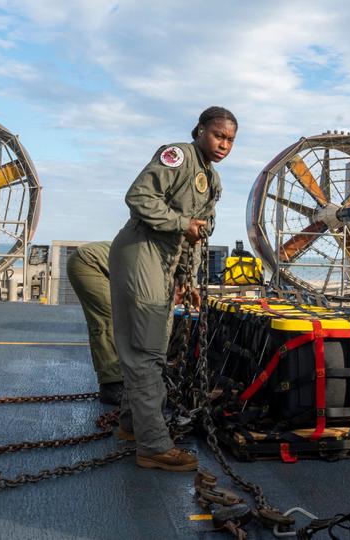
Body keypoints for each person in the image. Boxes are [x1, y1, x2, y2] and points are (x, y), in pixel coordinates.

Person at [109, 106, 236, 472]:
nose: (224, 144)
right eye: (218, 136)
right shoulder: (178, 156)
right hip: (141, 250)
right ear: (200, 131)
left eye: (230, 140)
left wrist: (186, 279)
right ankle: (153, 446)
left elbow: (195, 236)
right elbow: (138, 197)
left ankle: (133, 425)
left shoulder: (212, 181)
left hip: (165, 260)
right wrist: (181, 222)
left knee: (154, 346)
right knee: (146, 351)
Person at [66, 241, 123, 405]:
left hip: (99, 264)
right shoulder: (158, 273)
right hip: (88, 263)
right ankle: (112, 386)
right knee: (108, 321)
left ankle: (119, 377)